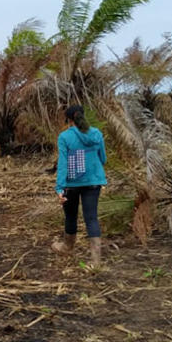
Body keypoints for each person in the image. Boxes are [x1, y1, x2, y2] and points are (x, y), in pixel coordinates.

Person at [52, 103, 107, 267]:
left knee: (70, 215)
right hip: (93, 182)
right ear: (83, 115)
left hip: (71, 184)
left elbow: (62, 164)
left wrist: (59, 188)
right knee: (91, 218)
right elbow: (103, 159)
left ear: (68, 120)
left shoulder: (64, 137)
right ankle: (96, 262)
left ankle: (67, 247)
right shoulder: (96, 134)